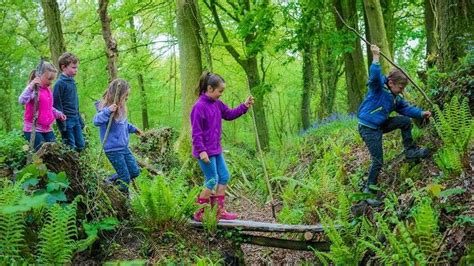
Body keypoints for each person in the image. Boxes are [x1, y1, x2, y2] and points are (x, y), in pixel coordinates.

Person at [358, 44, 432, 205]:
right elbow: (375, 76)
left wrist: (420, 113)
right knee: (378, 161)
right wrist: (376, 57)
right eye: (400, 87)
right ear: (391, 82)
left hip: (380, 124)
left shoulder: (395, 97)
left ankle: (410, 151)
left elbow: (406, 109)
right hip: (368, 128)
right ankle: (368, 192)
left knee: (405, 122)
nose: (401, 90)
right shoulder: (378, 88)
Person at [191, 71, 254, 221]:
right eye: (220, 91)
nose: (221, 94)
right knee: (212, 179)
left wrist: (244, 106)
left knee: (224, 176)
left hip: (216, 149)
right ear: (210, 88)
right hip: (205, 152)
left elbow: (230, 114)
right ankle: (199, 212)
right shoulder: (199, 107)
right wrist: (201, 151)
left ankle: (219, 210)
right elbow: (196, 133)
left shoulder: (217, 104)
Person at [93, 79, 143, 192]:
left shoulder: (121, 108)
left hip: (124, 147)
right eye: (126, 95)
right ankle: (122, 199)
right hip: (113, 149)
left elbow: (123, 124)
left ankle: (109, 180)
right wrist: (107, 111)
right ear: (118, 94)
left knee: (135, 171)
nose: (127, 97)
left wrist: (134, 129)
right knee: (125, 179)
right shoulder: (105, 108)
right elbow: (96, 121)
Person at [19, 62, 66, 151]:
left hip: (47, 129)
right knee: (42, 154)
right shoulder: (33, 90)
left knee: (55, 152)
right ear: (39, 76)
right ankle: (37, 165)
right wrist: (31, 87)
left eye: (53, 79)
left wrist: (58, 114)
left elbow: (48, 108)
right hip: (33, 129)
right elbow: (22, 100)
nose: (51, 82)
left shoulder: (47, 91)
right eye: (49, 79)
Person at [53, 52, 85, 151]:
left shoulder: (72, 82)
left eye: (77, 68)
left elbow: (75, 103)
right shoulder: (59, 84)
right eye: (73, 67)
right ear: (64, 67)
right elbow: (56, 105)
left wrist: (79, 119)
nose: (76, 70)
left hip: (75, 118)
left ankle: (79, 166)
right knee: (70, 147)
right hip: (66, 120)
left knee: (81, 145)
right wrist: (62, 123)